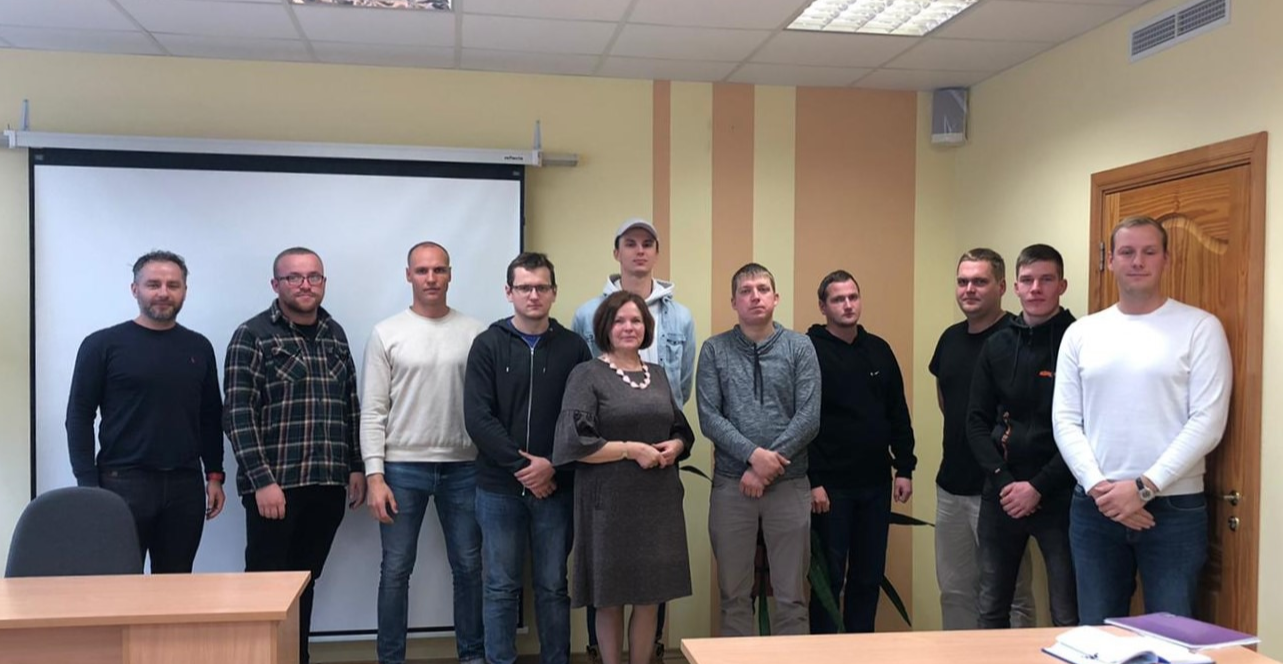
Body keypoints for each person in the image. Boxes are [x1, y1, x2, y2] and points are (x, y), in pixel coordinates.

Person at [1053, 216, 1232, 624]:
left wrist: (1143, 488)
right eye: (1127, 252)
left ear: (1166, 258)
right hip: (1095, 507)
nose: (1138, 261)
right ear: (1110, 261)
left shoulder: (1200, 328)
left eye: (1149, 252)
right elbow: (1065, 420)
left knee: (1171, 637)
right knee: (1097, 636)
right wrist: (1100, 488)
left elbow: (1207, 421)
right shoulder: (1081, 333)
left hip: (1173, 509)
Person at [223, 246, 367, 664]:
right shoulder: (252, 335)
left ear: (323, 282)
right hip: (276, 487)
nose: (305, 285)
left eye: (313, 277)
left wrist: (356, 467)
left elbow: (350, 405)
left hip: (327, 483)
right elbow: (238, 414)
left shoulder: (334, 334)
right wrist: (262, 480)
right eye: (294, 277)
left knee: (305, 582)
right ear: (276, 284)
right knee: (265, 584)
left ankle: (295, 657)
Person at [571, 217, 696, 663]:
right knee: (609, 596)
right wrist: (632, 450)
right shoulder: (586, 374)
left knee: (649, 595)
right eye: (620, 320)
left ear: (648, 328)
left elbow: (680, 424)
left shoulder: (658, 374)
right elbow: (575, 441)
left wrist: (676, 446)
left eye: (637, 321)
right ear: (603, 326)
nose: (629, 327)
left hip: (656, 498)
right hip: (606, 500)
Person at [464, 252, 592, 664]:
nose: (533, 295)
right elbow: (478, 417)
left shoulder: (574, 348)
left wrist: (551, 464)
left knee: (554, 586)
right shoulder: (487, 344)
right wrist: (523, 468)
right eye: (524, 287)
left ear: (554, 293)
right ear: (509, 292)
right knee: (500, 586)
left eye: (541, 287)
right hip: (498, 489)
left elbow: (583, 417)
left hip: (556, 487)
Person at [361, 242, 486, 664]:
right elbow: (373, 410)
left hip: (464, 467)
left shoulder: (475, 333)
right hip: (401, 469)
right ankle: (390, 658)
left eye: (438, 270)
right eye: (422, 270)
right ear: (408, 275)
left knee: (469, 568)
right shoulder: (386, 333)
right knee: (396, 570)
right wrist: (375, 475)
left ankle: (472, 656)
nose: (430, 278)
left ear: (450, 274)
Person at [65, 249, 225, 573]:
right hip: (121, 483)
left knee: (176, 584)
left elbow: (210, 415)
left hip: (184, 485)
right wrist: (87, 484)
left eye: (173, 285)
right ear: (135, 289)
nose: (163, 293)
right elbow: (79, 416)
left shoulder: (199, 347)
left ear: (184, 291)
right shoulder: (102, 345)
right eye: (153, 284)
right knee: (118, 582)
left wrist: (215, 475)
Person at [698, 262, 820, 637]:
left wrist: (766, 467)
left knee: (792, 597)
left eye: (763, 289)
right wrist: (753, 457)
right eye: (746, 291)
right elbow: (709, 417)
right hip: (732, 486)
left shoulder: (800, 347)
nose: (755, 297)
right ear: (733, 301)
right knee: (734, 597)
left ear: (776, 297)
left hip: (789, 485)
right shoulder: (714, 350)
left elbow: (809, 417)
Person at [966, 244, 1078, 629]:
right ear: (1014, 287)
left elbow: (1086, 429)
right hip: (1003, 492)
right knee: (991, 608)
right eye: (1027, 280)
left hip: (1060, 493)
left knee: (1067, 612)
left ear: (1062, 285)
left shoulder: (1078, 340)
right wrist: (1004, 481)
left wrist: (1039, 487)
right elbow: (975, 421)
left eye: (1046, 279)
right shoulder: (998, 345)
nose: (1036, 288)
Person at [929, 248, 1036, 630]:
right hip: (951, 487)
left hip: (1001, 490)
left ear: (1003, 286)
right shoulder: (950, 339)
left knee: (1011, 596)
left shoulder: (1019, 339)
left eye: (980, 281)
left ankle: (1016, 657)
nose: (969, 289)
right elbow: (947, 402)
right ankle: (959, 656)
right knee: (954, 591)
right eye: (963, 281)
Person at [805, 270, 915, 634]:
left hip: (875, 484)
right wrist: (813, 481)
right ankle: (824, 654)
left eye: (853, 297)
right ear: (823, 306)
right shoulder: (809, 351)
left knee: (868, 578)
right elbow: (802, 422)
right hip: (829, 490)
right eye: (838, 299)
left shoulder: (878, 350)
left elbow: (897, 412)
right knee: (829, 580)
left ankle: (860, 651)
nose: (848, 305)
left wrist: (904, 467)